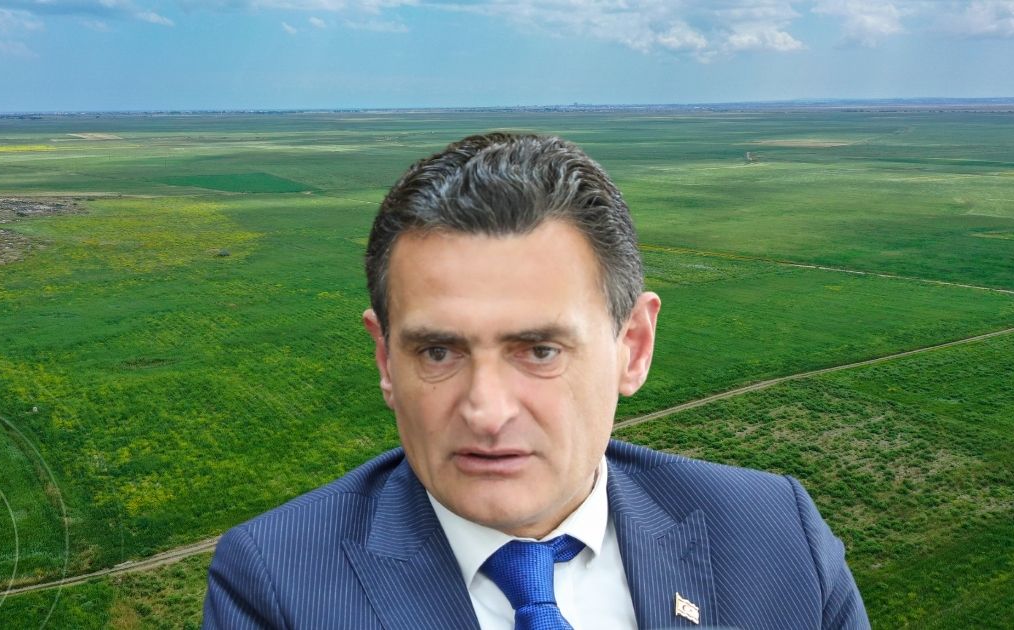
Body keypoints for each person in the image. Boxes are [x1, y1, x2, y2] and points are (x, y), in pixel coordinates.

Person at [203, 133, 869, 629]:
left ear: (633, 348)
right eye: (438, 352)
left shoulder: (775, 535)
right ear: (385, 362)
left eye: (540, 350)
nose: (486, 411)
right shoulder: (278, 585)